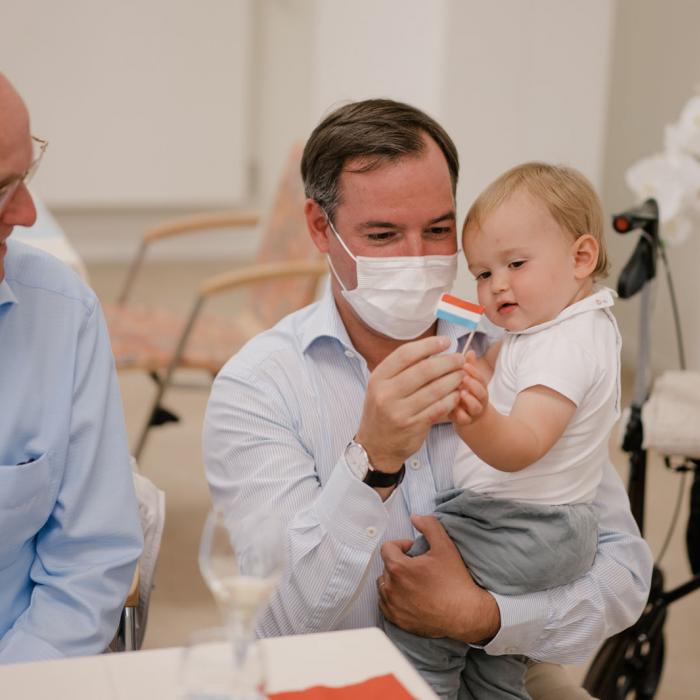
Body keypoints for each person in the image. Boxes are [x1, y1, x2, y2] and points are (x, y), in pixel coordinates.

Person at [203, 99, 652, 697]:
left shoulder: (519, 343)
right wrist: (373, 461)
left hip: (506, 655)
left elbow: (623, 575)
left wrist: (482, 616)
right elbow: (287, 623)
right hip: (337, 677)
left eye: (439, 230)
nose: (417, 258)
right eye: (384, 235)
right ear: (320, 227)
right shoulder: (260, 387)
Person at [385, 162, 621, 699]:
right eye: (484, 273)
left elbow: (522, 446)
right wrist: (470, 382)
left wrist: (477, 418)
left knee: (420, 623)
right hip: (545, 531)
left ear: (581, 257)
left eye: (515, 263)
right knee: (496, 666)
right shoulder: (549, 327)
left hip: (519, 526)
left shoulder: (567, 345)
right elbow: (502, 376)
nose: (498, 287)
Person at [0, 73, 143, 663]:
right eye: (3, 188)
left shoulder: (59, 313)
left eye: (24, 178)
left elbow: (90, 559)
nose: (30, 212)